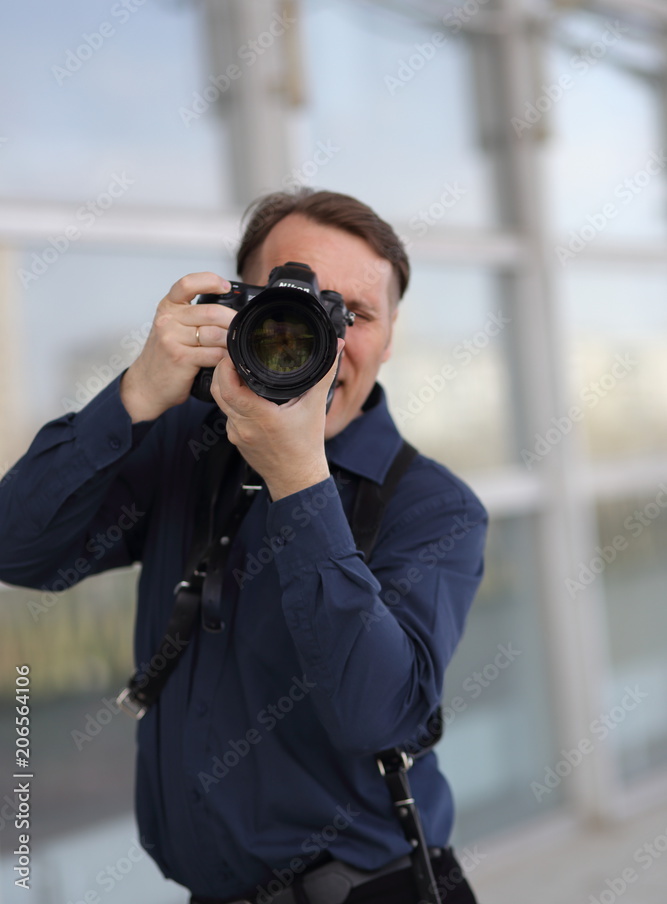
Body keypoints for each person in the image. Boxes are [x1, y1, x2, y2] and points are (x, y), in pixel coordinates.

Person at [0, 189, 488, 904]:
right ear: (237, 311)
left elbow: (377, 715)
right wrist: (134, 395)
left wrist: (297, 480)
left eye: (354, 315)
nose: (317, 336)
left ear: (387, 340)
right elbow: (17, 549)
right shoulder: (181, 443)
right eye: (294, 303)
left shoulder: (434, 507)